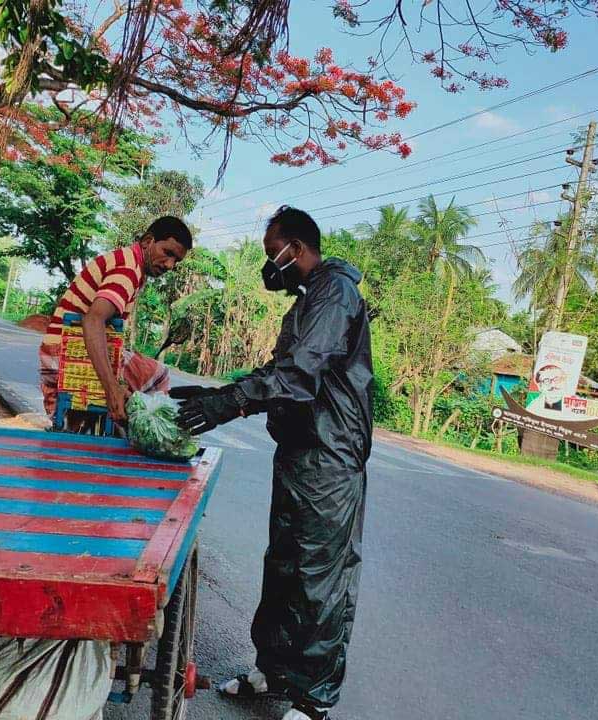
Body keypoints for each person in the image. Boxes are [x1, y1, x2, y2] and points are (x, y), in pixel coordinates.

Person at [171, 207, 372, 720]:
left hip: (330, 457)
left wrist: (227, 406)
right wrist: (223, 393)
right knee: (284, 566)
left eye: (272, 255)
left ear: (296, 249)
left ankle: (313, 698)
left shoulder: (335, 295)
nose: (269, 266)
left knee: (318, 576)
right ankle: (274, 672)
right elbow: (280, 368)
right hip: (302, 451)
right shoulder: (310, 299)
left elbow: (298, 376)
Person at [38, 216, 192, 427]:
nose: (170, 265)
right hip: (68, 355)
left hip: (55, 354)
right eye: (167, 253)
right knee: (158, 375)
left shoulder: (125, 261)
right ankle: (149, 435)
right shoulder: (128, 270)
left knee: (128, 384)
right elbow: (93, 320)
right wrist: (112, 389)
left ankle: (87, 428)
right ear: (148, 241)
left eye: (177, 261)